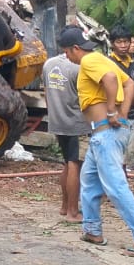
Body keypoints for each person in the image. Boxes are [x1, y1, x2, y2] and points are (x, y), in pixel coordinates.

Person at [57, 25, 134, 257]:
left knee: (115, 185)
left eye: (66, 52)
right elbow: (129, 83)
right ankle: (92, 230)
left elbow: (111, 79)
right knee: (90, 182)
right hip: (103, 134)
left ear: (75, 48)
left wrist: (113, 111)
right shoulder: (103, 59)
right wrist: (123, 114)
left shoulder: (89, 62)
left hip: (106, 134)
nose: (66, 57)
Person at [43, 49, 84, 223]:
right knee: (75, 164)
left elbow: (46, 93)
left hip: (57, 121)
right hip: (75, 122)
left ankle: (64, 206)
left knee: (67, 162)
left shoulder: (49, 64)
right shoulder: (77, 68)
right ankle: (73, 212)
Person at [109, 25, 134, 169]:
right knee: (115, 157)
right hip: (115, 116)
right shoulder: (109, 63)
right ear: (112, 43)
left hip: (131, 117)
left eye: (126, 42)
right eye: (119, 42)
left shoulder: (132, 64)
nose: (124, 46)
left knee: (127, 158)